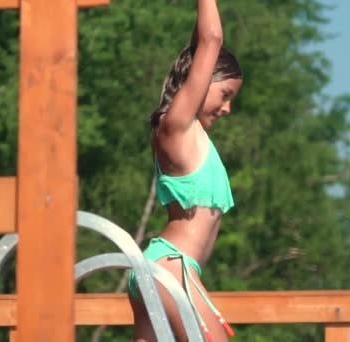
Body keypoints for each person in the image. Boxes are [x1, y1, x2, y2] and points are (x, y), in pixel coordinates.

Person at [127, 1, 243, 341]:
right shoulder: (176, 126)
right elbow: (210, 39)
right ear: (203, 79)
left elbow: (200, 46)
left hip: (163, 270)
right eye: (224, 94)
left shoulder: (193, 138)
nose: (227, 108)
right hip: (171, 269)